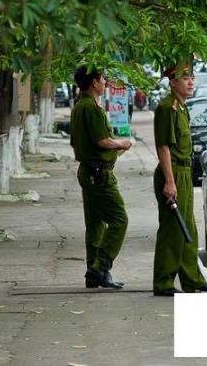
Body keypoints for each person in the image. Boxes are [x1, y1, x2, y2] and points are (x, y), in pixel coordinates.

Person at [153, 65, 207, 296]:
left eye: (192, 78)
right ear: (172, 82)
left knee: (188, 229)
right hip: (172, 172)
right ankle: (163, 282)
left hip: (183, 172)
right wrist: (169, 182)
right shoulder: (167, 108)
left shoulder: (181, 107)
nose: (191, 82)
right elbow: (163, 147)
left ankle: (192, 279)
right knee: (173, 230)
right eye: (185, 78)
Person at [70, 66, 133, 289]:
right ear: (94, 83)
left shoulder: (79, 106)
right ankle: (100, 266)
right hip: (98, 174)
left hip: (89, 171)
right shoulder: (91, 108)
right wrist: (122, 143)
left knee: (95, 225)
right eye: (102, 78)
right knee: (119, 219)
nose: (105, 82)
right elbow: (101, 141)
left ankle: (93, 273)